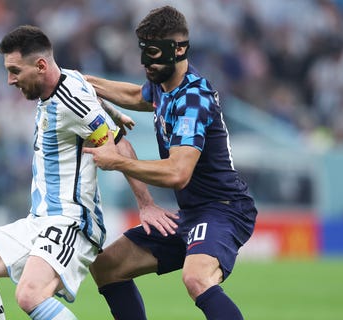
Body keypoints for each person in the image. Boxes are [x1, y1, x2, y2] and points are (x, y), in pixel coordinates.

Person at [0, 25, 177, 320]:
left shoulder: (69, 103)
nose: (10, 80)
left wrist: (146, 204)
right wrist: (112, 111)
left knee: (30, 295)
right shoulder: (67, 80)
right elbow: (83, 88)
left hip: (71, 222)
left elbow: (119, 146)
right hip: (39, 220)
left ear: (41, 65)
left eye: (15, 70)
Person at [82, 6, 258, 320]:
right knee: (108, 266)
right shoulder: (164, 86)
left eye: (154, 52)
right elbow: (138, 96)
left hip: (223, 209)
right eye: (144, 52)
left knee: (196, 278)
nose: (147, 62)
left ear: (178, 49)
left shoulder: (193, 98)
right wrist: (83, 82)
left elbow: (178, 173)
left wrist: (117, 162)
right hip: (192, 213)